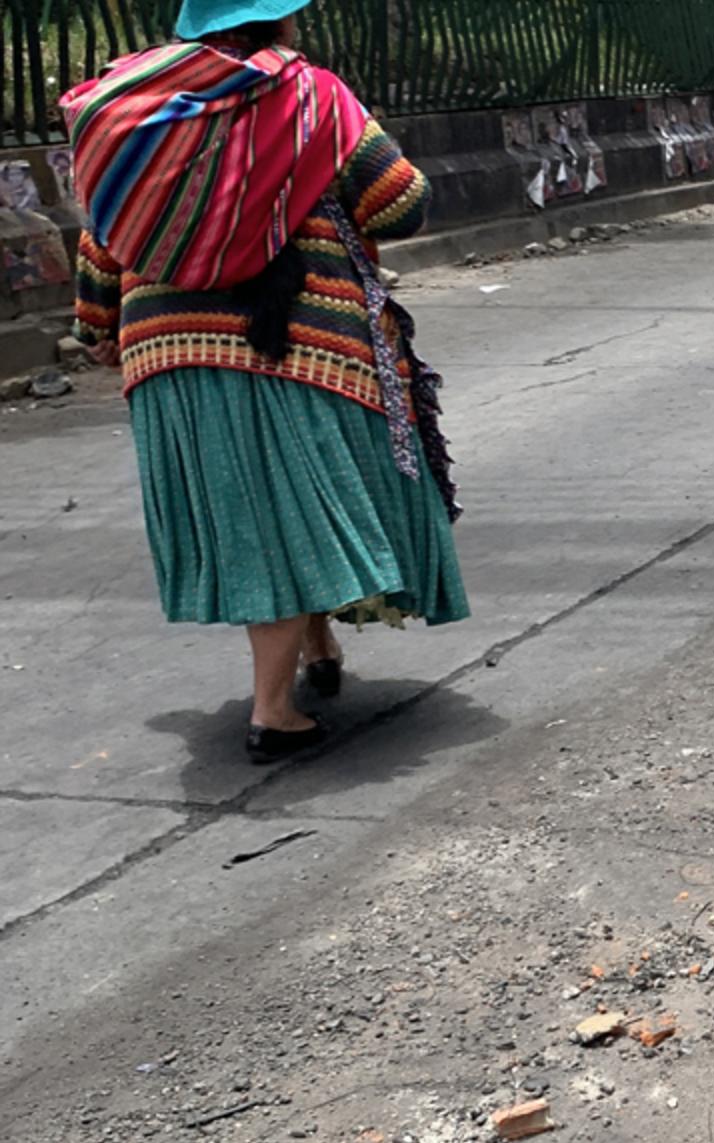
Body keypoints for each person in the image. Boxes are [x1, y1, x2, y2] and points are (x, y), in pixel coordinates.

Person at [59, 0, 468, 764]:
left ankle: (321, 652)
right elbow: (401, 201)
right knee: (287, 517)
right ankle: (272, 713)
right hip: (292, 345)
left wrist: (95, 323)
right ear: (278, 22)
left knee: (260, 513)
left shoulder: (135, 106)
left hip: (163, 353)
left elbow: (104, 228)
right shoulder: (308, 94)